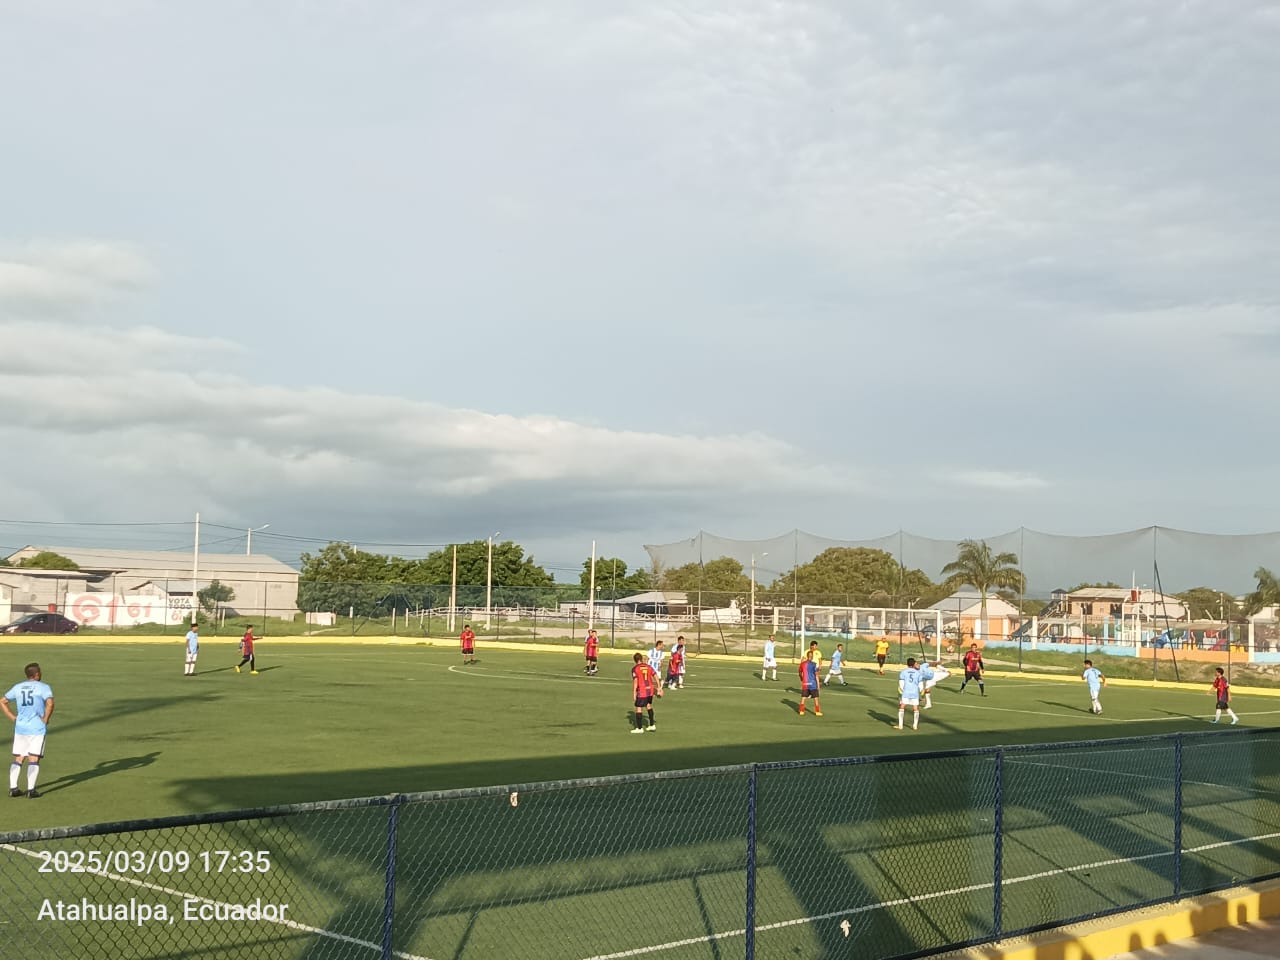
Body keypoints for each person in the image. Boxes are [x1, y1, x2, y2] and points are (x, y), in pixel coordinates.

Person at [2, 662, 54, 798]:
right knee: (34, 758)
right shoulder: (43, 687)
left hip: (20, 728)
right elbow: (50, 703)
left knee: (19, 757)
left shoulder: (18, 687)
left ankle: (13, 788)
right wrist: (46, 718)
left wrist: (13, 717)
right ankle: (31, 790)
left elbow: (2, 701)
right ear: (36, 674)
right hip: (37, 728)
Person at [630, 652, 659, 733]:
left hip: (642, 690)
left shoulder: (635, 668)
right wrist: (659, 686)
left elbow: (636, 681)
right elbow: (655, 675)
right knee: (648, 705)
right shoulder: (648, 667)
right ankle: (652, 725)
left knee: (638, 707)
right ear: (641, 659)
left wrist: (634, 693)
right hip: (650, 690)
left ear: (635, 660)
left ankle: (639, 728)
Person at [897, 657, 922, 730]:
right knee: (916, 708)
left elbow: (901, 684)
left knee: (902, 707)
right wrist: (922, 694)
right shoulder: (918, 673)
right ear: (914, 664)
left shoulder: (903, 672)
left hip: (906, 692)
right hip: (915, 693)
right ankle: (915, 726)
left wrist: (901, 693)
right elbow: (920, 685)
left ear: (907, 664)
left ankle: (900, 725)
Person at [797, 650, 823, 716]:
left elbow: (799, 672)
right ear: (812, 656)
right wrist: (818, 685)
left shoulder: (802, 664)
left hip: (805, 683)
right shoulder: (814, 664)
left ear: (807, 656)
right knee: (816, 698)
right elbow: (816, 675)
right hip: (812, 684)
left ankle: (801, 711)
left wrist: (801, 679)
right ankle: (817, 712)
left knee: (803, 697)